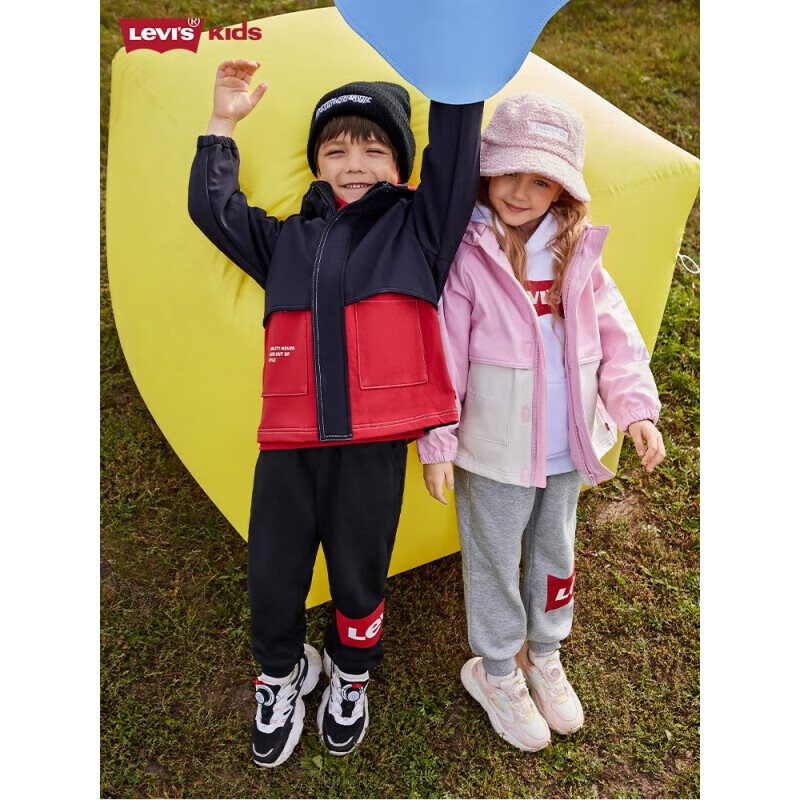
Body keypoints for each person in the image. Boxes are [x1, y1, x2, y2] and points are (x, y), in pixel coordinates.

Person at [188, 59, 482, 767]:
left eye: (375, 150)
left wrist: (459, 65)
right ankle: (281, 674)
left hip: (371, 449)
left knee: (358, 574)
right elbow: (213, 210)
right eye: (337, 150)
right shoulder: (286, 239)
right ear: (316, 164)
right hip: (288, 445)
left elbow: (455, 158)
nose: (355, 164)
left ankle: (351, 673)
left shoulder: (421, 231)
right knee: (273, 574)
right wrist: (222, 123)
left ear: (402, 167)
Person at [417, 93, 665, 752]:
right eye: (509, 174)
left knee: (555, 552)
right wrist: (438, 441)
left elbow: (617, 340)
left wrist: (635, 410)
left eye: (541, 181)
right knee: (494, 560)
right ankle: (496, 668)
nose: (520, 193)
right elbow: (443, 357)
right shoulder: (468, 254)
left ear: (563, 190)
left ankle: (544, 653)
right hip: (493, 452)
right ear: (487, 171)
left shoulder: (579, 254)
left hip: (566, 449)